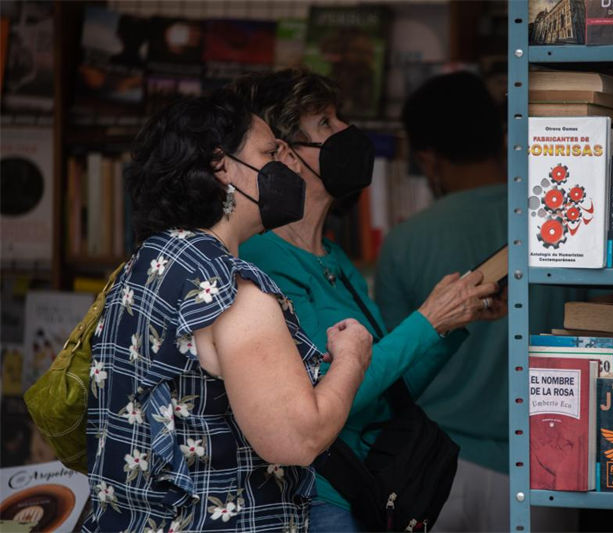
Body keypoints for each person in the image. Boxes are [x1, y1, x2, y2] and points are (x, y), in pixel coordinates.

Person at [84, 90, 372, 532]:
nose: (288, 163)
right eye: (269, 152)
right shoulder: (231, 292)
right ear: (221, 167)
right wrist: (351, 356)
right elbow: (298, 438)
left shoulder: (143, 265)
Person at [230, 69, 505, 532]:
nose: (346, 133)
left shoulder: (333, 257)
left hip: (366, 496)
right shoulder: (262, 261)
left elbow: (387, 389)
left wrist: (455, 321)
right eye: (325, 124)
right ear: (286, 155)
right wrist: (429, 319)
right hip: (318, 502)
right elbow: (330, 397)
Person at [376, 71, 580, 532]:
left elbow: (394, 370)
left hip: (436, 466)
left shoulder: (406, 240)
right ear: (499, 135)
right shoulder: (561, 224)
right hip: (548, 463)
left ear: (428, 158)